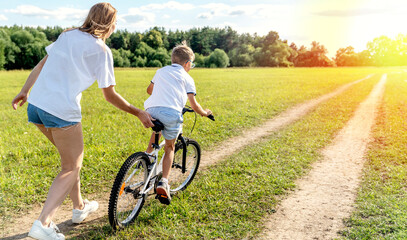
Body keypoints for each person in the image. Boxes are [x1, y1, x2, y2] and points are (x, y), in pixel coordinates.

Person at [11, 3, 154, 240]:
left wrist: (25, 91)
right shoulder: (101, 50)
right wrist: (138, 112)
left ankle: (79, 208)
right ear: (110, 24)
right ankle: (43, 224)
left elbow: (42, 63)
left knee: (71, 161)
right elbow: (109, 95)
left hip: (36, 107)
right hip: (60, 111)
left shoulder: (67, 35)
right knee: (71, 167)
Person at [144, 41, 212, 205]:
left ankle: (145, 159)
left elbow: (149, 90)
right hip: (172, 113)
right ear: (188, 63)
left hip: (151, 110)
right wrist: (204, 113)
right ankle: (164, 183)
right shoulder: (187, 77)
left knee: (156, 131)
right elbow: (194, 104)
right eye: (192, 64)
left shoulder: (161, 71)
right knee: (169, 147)